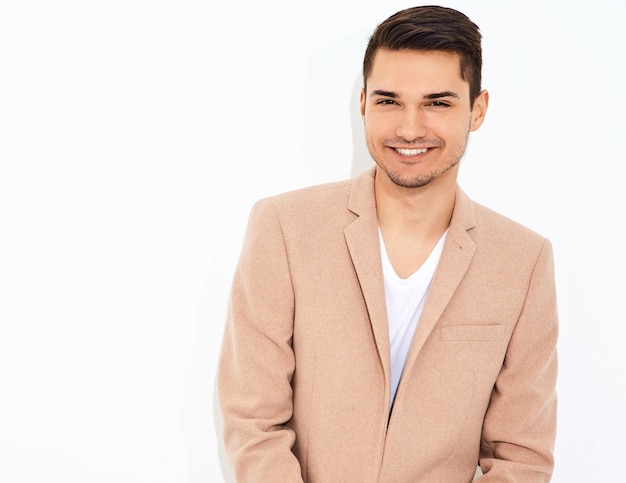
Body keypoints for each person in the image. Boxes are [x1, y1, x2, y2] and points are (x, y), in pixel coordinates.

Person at [217, 5, 558, 482]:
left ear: (477, 110)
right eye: (388, 101)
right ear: (362, 104)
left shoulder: (523, 261)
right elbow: (253, 420)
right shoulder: (284, 227)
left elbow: (521, 455)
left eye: (438, 102)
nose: (410, 128)